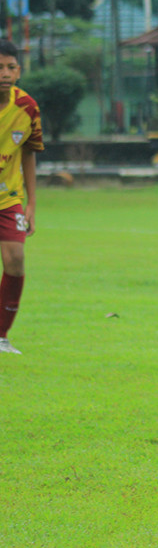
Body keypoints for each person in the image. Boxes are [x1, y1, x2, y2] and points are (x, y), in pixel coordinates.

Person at [0, 40, 43, 355]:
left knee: (15, 259)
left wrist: (31, 203)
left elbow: (29, 152)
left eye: (11, 67)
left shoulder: (27, 107)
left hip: (8, 197)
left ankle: (1, 336)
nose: (5, 74)